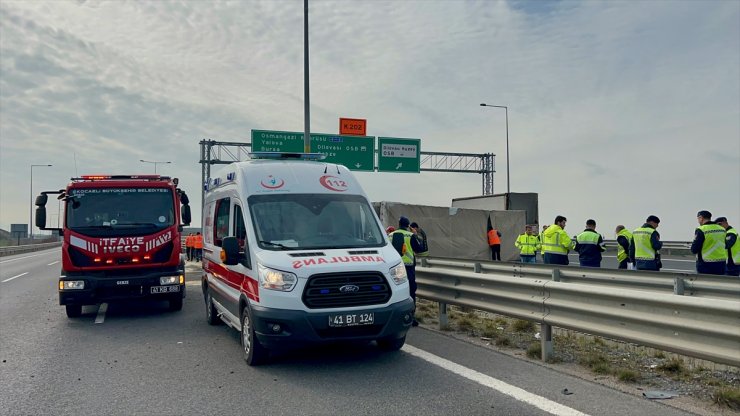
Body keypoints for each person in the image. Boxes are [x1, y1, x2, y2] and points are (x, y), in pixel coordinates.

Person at [390, 216, 422, 326]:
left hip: (394, 268)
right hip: (408, 268)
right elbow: (419, 249)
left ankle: (394, 317)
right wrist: (416, 235)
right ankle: (411, 317)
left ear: (398, 224)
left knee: (395, 292)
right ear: (408, 225)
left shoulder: (390, 235)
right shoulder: (411, 235)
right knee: (410, 291)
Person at [690, 210, 727, 275]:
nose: (698, 220)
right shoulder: (722, 229)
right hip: (721, 262)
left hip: (706, 263)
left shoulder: (701, 229)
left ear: (701, 218)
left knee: (705, 283)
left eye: (698, 218)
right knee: (720, 283)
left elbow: (694, 249)